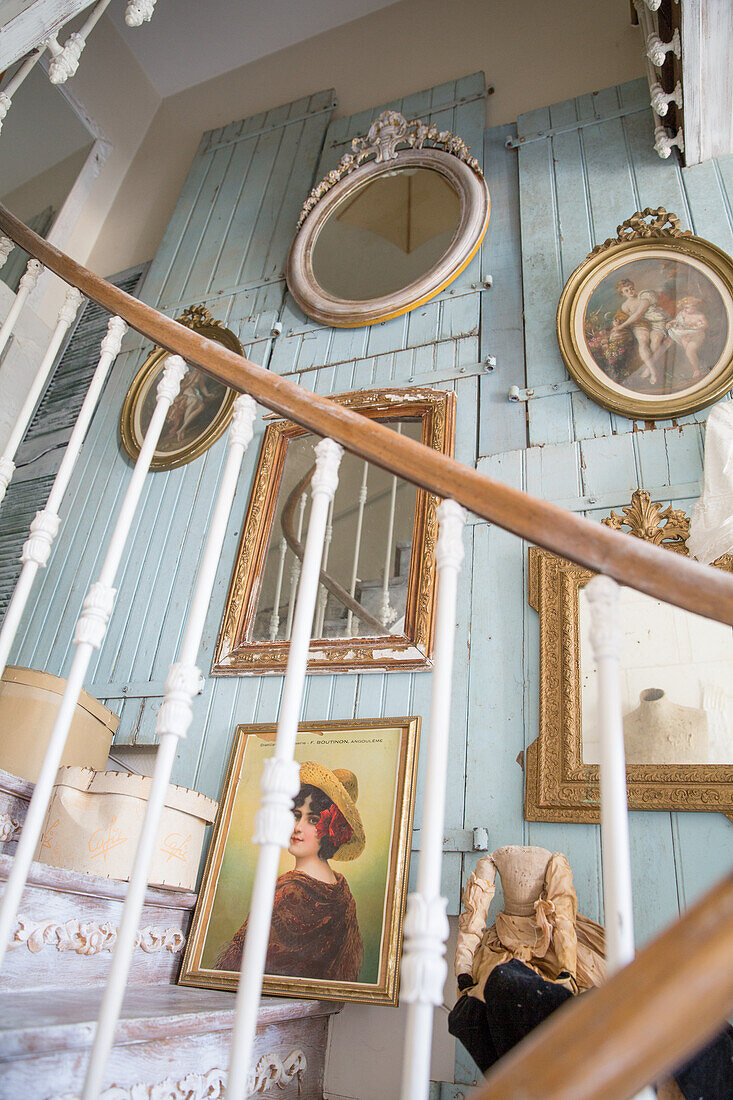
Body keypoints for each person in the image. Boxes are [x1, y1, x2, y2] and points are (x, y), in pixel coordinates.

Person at [214, 761, 365, 981]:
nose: (297, 827)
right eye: (296, 815)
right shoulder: (340, 888)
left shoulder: (291, 891)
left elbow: (240, 969)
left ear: (332, 830)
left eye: (313, 820)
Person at [610, 278, 670, 384]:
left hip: (656, 321)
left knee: (656, 342)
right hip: (640, 324)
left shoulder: (644, 296)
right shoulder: (625, 306)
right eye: (626, 291)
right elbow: (623, 317)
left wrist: (620, 327)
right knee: (643, 341)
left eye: (631, 288)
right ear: (622, 294)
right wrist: (617, 323)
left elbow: (637, 314)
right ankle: (653, 371)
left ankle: (648, 368)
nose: (630, 292)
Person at [667, 296, 708, 378]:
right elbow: (677, 321)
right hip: (684, 335)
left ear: (695, 307)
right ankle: (694, 368)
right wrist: (670, 323)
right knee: (688, 353)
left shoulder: (699, 316)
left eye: (687, 307)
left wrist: (696, 327)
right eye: (684, 307)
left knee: (690, 351)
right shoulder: (683, 313)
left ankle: (697, 370)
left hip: (696, 336)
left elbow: (705, 325)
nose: (685, 309)